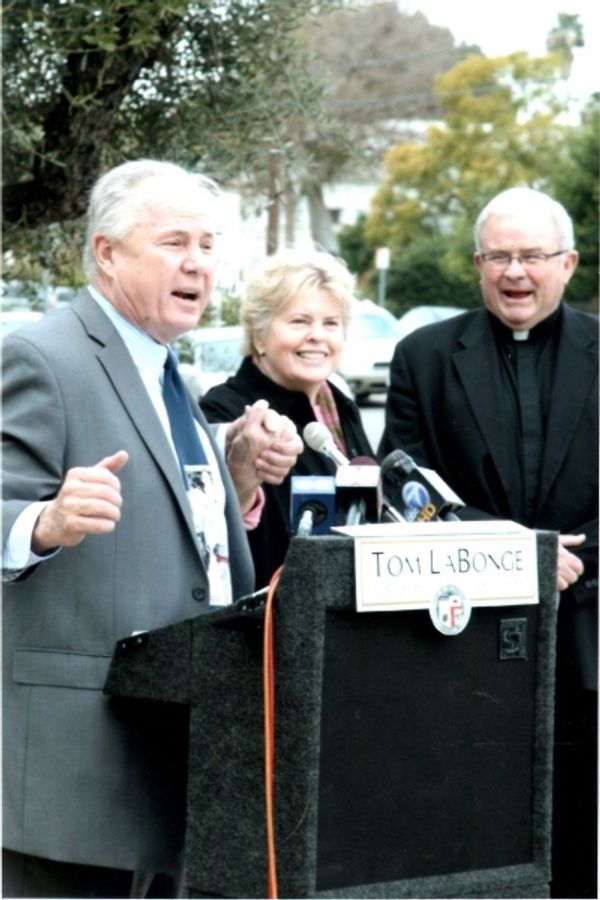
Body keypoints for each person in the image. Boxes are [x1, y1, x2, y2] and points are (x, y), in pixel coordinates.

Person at [1, 159, 303, 898]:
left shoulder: (171, 373)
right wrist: (46, 521)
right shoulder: (42, 356)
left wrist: (235, 474)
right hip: (74, 768)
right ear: (106, 252)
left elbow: (180, 536)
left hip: (172, 751)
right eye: (174, 242)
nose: (198, 263)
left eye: (207, 244)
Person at [378, 186, 598, 899]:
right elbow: (401, 487)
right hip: (462, 634)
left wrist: (571, 560)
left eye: (532, 256)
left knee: (582, 838)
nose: (515, 273)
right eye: (499, 256)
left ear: (567, 263)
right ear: (477, 264)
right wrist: (519, 556)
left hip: (589, 631)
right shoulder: (424, 356)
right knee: (467, 843)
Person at [201, 248, 374, 587]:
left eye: (330, 323)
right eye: (299, 321)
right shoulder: (225, 411)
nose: (317, 336)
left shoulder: (340, 407)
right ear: (259, 335)